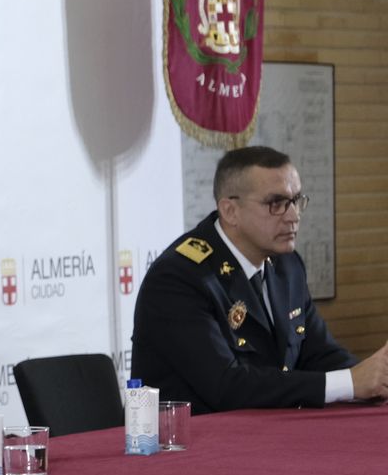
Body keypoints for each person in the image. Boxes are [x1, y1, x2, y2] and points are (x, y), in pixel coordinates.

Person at [131, 145, 388, 413]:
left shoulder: (287, 265)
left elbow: (319, 353)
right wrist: (348, 382)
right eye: (275, 203)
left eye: (296, 200)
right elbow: (227, 386)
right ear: (230, 211)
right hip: (191, 445)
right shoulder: (179, 278)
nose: (293, 216)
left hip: (268, 436)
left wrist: (377, 378)